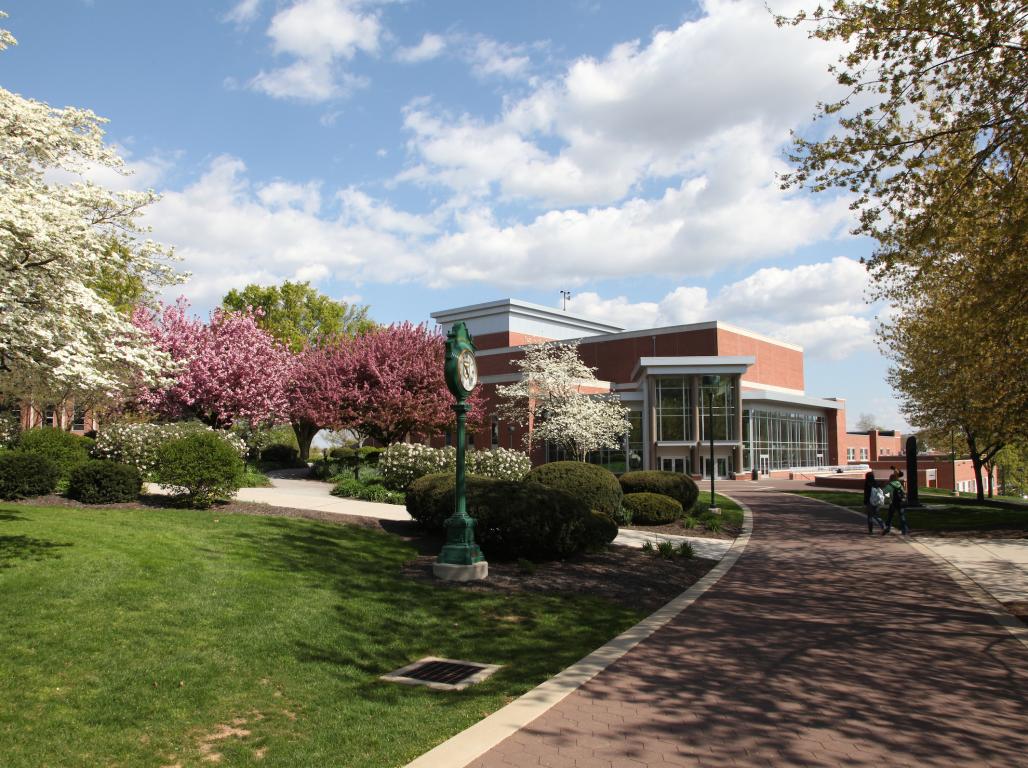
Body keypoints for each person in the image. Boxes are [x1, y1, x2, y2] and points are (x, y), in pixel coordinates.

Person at [883, 470, 909, 535]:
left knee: (890, 516)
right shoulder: (899, 484)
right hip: (900, 502)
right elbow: (903, 492)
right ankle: (904, 530)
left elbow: (885, 493)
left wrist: (887, 500)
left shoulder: (889, 485)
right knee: (902, 516)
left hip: (893, 503)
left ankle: (887, 528)